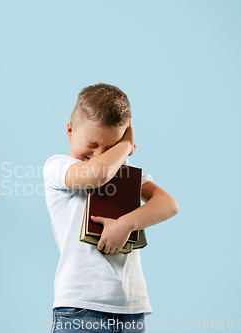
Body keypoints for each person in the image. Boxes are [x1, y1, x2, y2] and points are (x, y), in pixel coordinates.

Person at [43, 83, 179, 333]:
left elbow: (168, 204)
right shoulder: (59, 167)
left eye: (110, 148)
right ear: (70, 131)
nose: (98, 154)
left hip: (131, 309)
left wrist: (127, 224)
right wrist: (125, 148)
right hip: (81, 308)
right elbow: (98, 174)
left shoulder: (124, 173)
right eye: (92, 144)